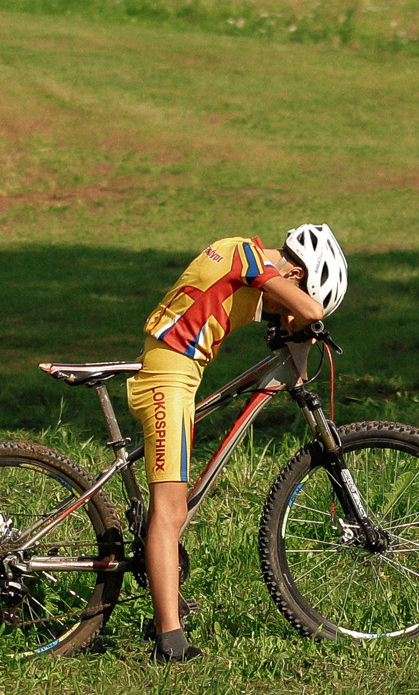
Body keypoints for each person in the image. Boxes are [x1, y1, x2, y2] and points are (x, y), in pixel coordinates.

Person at [128, 224, 346, 663]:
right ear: (295, 275)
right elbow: (310, 309)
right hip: (167, 380)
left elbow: (296, 350)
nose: (284, 314)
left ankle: (163, 596)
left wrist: (300, 348)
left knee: (174, 509)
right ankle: (169, 641)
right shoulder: (246, 256)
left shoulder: (246, 270)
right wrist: (309, 315)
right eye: (290, 298)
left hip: (176, 372)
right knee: (170, 513)